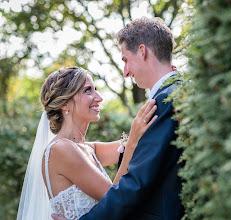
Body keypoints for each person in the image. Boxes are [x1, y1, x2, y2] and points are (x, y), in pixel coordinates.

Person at [53, 16, 184, 220]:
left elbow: (134, 185)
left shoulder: (165, 100)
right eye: (88, 91)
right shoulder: (175, 93)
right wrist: (131, 140)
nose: (125, 72)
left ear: (142, 52)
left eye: (125, 60)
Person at [17, 66, 158, 220]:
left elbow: (131, 143)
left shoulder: (88, 149)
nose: (99, 97)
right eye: (88, 91)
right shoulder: (61, 149)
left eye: (95, 89)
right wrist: (132, 142)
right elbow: (115, 200)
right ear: (65, 103)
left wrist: (158, 78)